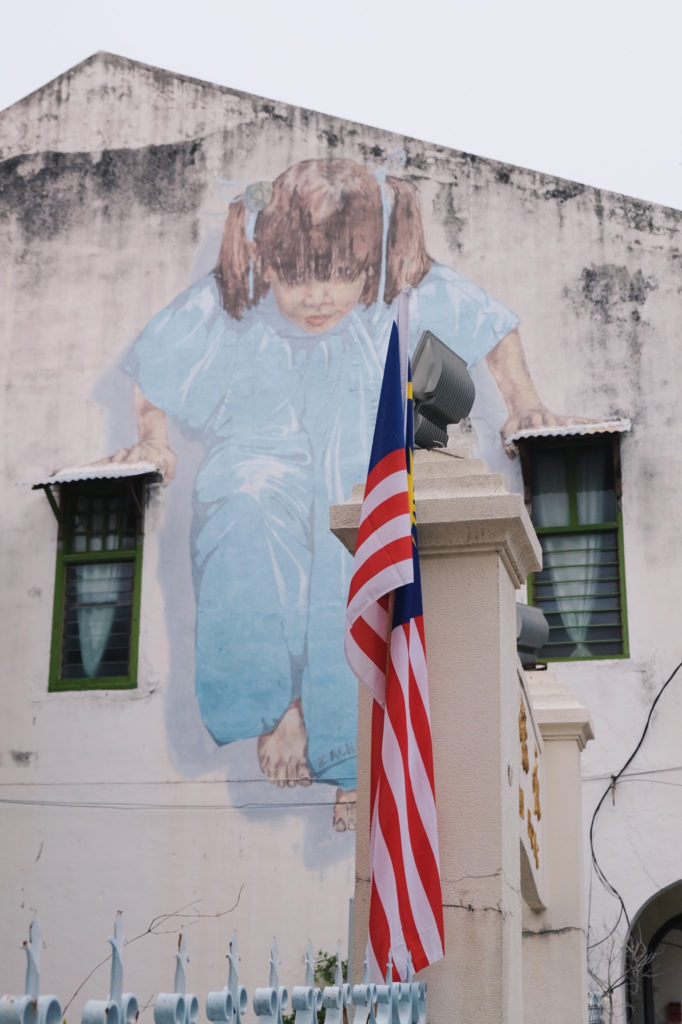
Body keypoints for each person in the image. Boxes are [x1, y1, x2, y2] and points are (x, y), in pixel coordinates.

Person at [113, 157, 569, 830]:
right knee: (245, 508)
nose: (318, 297)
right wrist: (154, 439)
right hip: (260, 459)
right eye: (298, 279)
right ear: (268, 266)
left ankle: (350, 752)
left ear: (367, 266)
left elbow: (489, 324)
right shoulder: (232, 299)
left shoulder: (397, 294)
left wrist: (524, 404)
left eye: (339, 276)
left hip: (354, 459)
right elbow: (156, 362)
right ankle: (277, 712)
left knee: (359, 548)